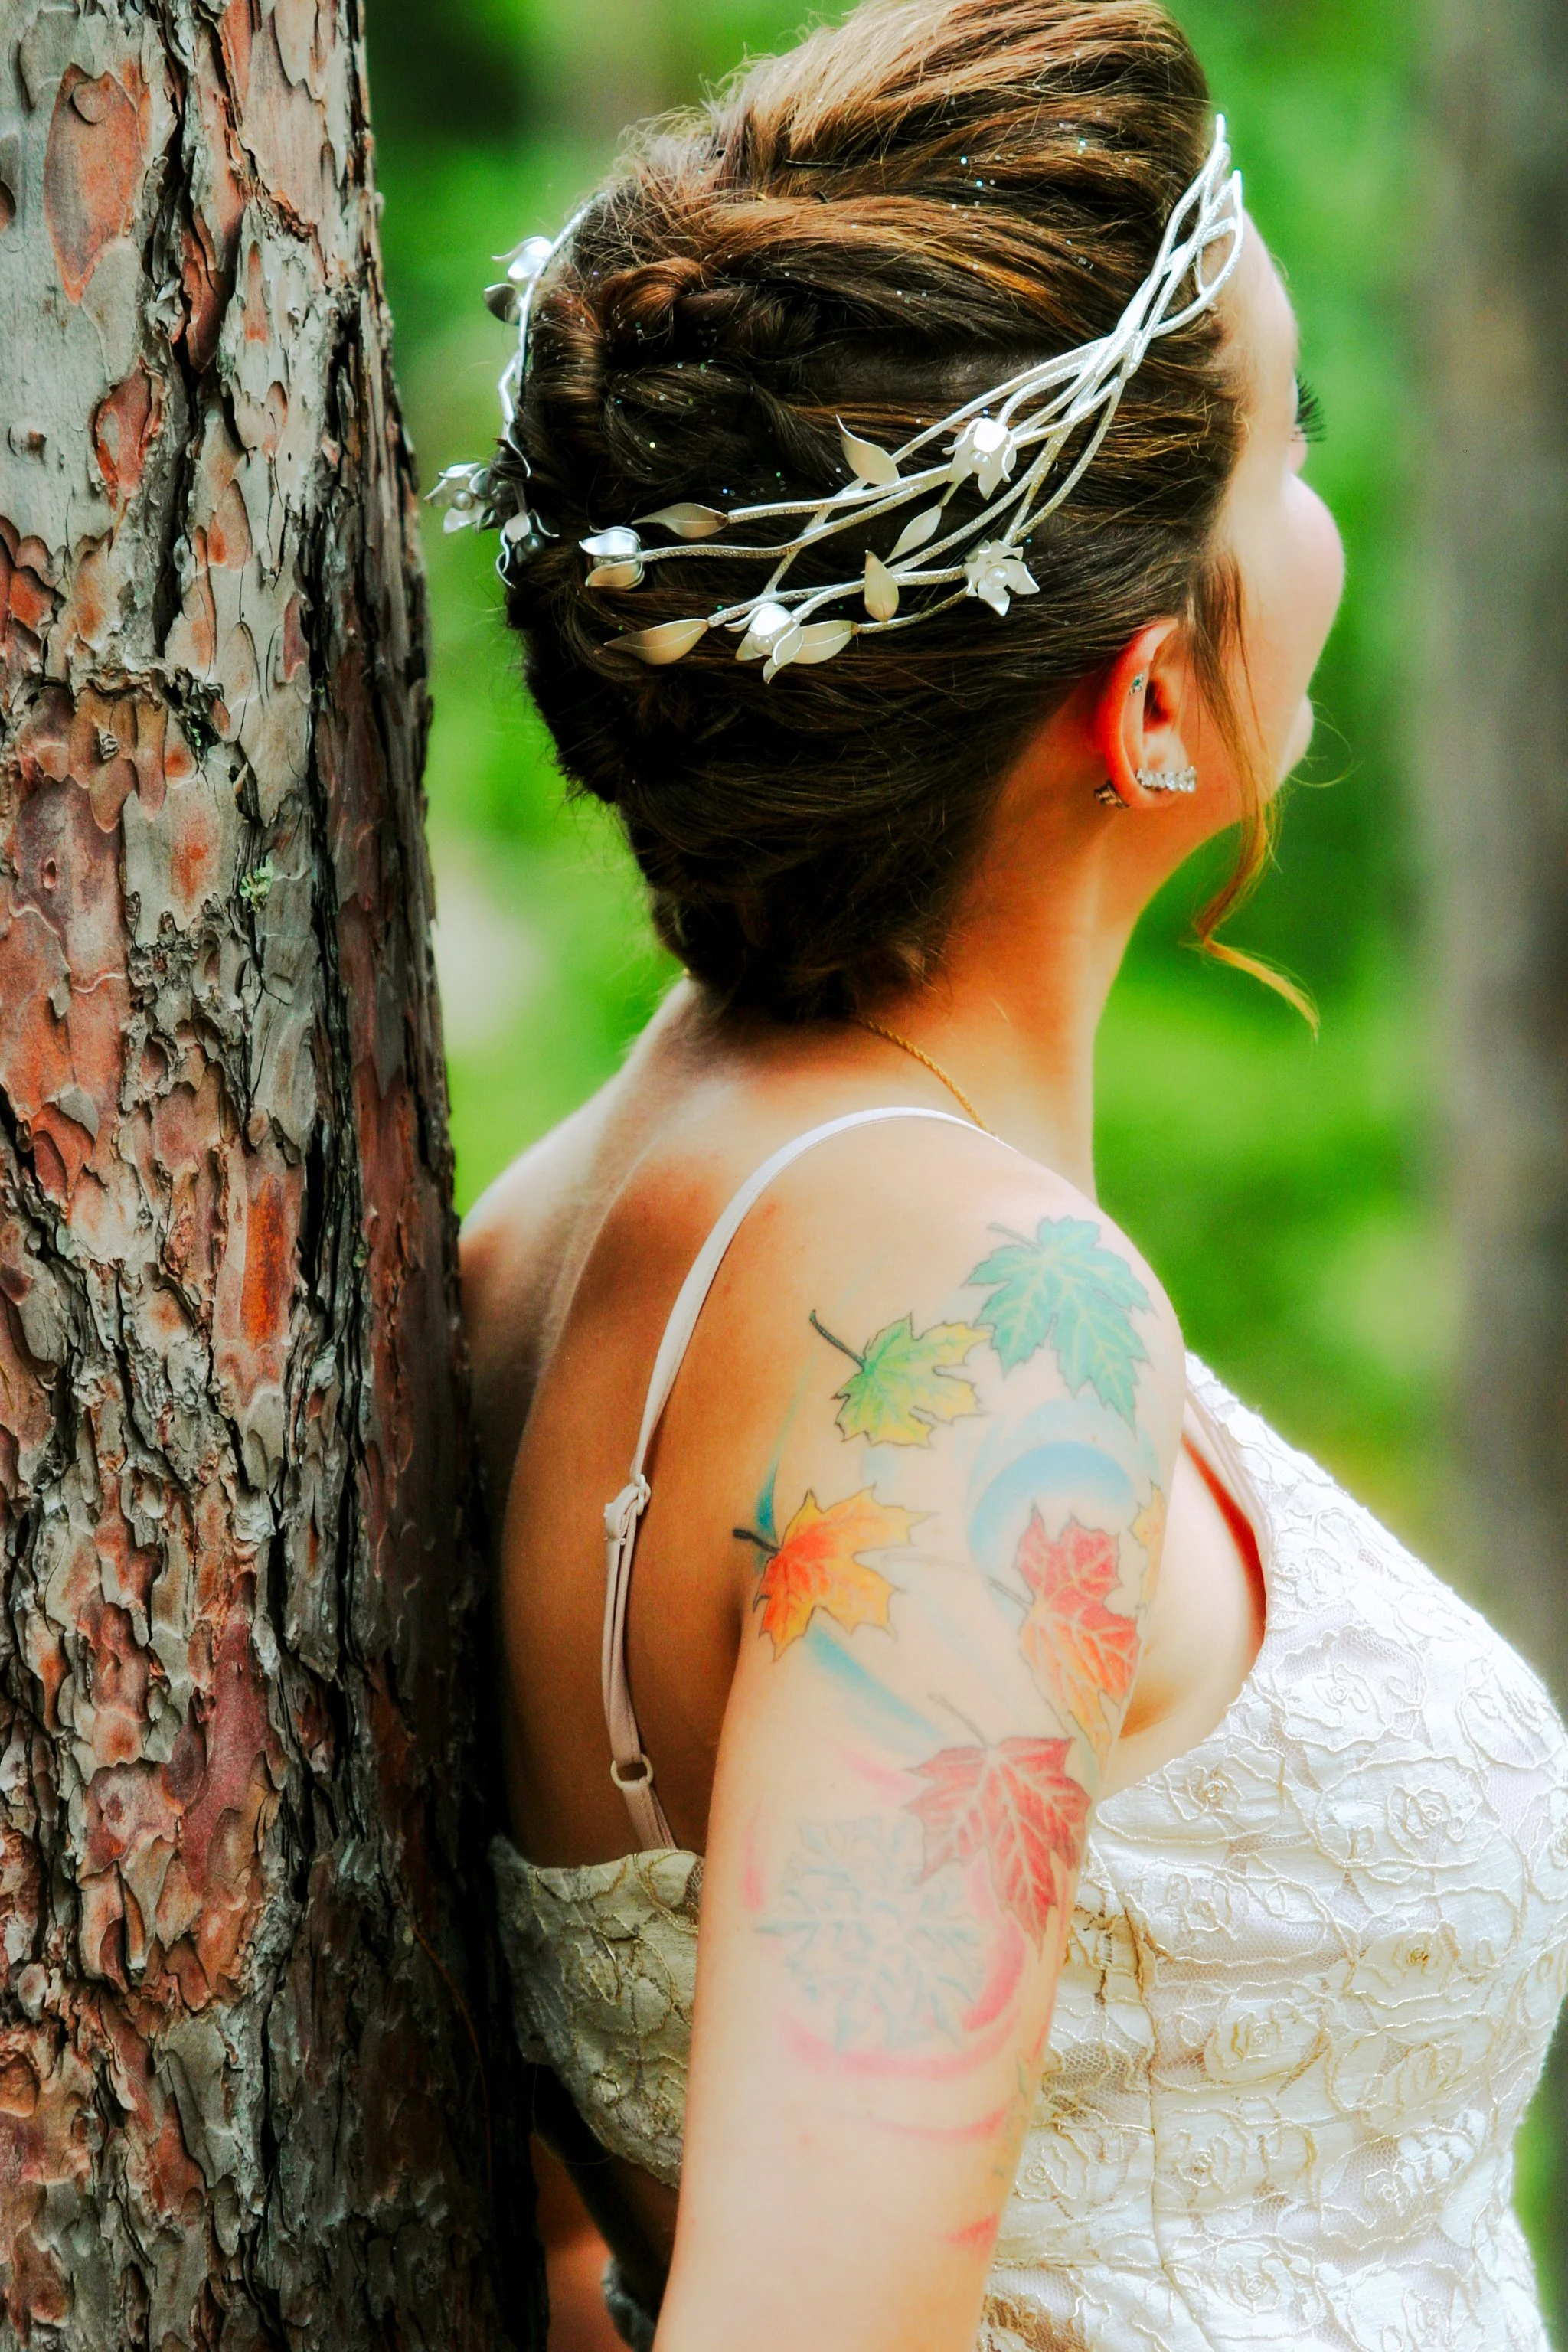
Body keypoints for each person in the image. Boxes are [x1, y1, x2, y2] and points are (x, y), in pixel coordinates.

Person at [455, 4, 1568, 2346]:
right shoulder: (965, 1346)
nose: (1323, 525)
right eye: (1296, 452)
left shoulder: (567, 1223)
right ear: (1152, 697)